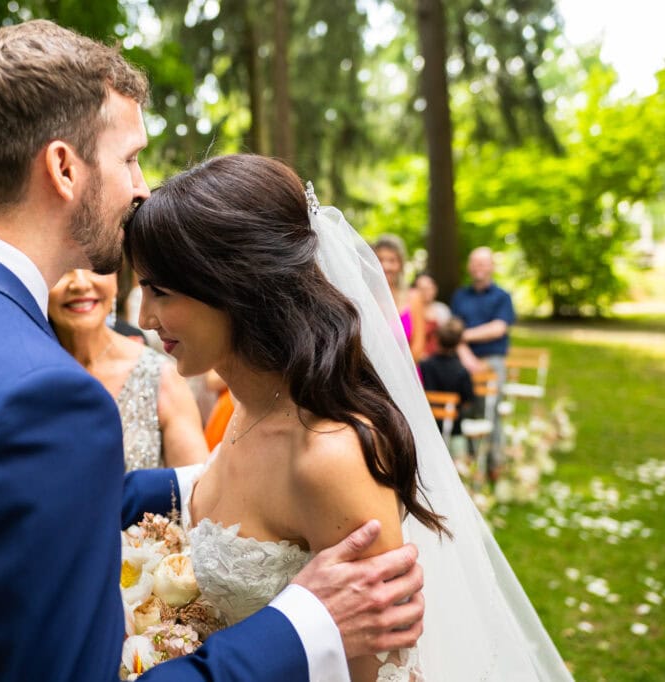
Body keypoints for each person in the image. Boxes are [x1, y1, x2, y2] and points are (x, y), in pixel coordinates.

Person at [0, 20, 425, 681]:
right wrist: (305, 626)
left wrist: (225, 483)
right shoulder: (40, 396)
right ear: (64, 167)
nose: (142, 188)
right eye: (130, 157)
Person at [126, 154, 572, 681]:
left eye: (161, 291)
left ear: (233, 285)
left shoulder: (330, 455)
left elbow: (377, 669)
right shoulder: (245, 410)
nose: (144, 319)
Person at [48, 268, 207, 471]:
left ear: (116, 278)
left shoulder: (159, 376)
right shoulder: (22, 372)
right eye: (65, 269)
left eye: (94, 267)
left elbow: (194, 490)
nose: (81, 284)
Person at [451, 246, 516, 467]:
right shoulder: (460, 296)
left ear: (492, 267)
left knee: (491, 411)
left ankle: (495, 464)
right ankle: (470, 463)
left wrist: (464, 336)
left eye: (483, 263)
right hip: (463, 361)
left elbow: (498, 328)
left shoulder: (502, 297)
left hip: (493, 361)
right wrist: (465, 353)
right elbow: (452, 330)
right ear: (470, 267)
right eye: (475, 262)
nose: (479, 267)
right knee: (467, 409)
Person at [420, 317, 475, 437]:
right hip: (453, 429)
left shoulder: (424, 366)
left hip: (426, 425)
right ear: (458, 343)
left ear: (437, 339)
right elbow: (468, 400)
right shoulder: (461, 371)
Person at [373, 235, 426, 361]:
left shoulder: (414, 297)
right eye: (380, 260)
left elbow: (418, 345)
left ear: (401, 264)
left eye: (392, 260)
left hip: (407, 373)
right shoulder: (365, 298)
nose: (386, 266)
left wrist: (399, 373)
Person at [411, 272, 450, 358]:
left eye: (429, 288)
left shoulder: (442, 309)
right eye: (422, 289)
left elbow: (449, 338)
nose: (426, 292)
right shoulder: (410, 311)